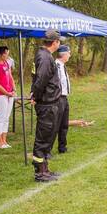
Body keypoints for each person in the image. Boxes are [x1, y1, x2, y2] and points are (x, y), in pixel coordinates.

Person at [30, 29, 64, 182]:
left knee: (48, 137)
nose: (60, 43)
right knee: (42, 138)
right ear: (55, 42)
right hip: (46, 104)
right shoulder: (44, 57)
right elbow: (40, 80)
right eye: (59, 41)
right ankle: (39, 173)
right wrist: (36, 97)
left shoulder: (45, 55)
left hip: (51, 103)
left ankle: (45, 170)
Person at [52, 45, 71, 154]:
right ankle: (47, 149)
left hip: (64, 98)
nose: (70, 55)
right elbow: (55, 83)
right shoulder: (56, 66)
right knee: (55, 124)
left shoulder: (63, 65)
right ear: (63, 54)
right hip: (58, 98)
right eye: (68, 53)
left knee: (64, 124)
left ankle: (62, 147)